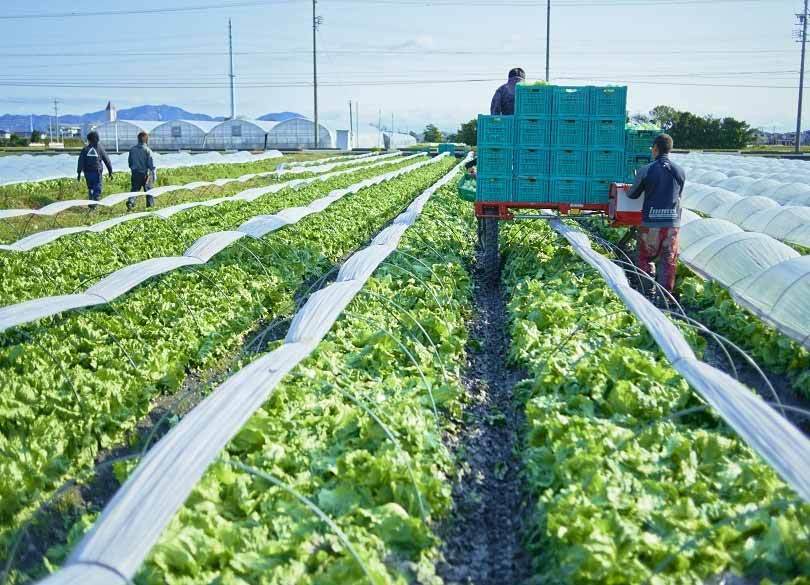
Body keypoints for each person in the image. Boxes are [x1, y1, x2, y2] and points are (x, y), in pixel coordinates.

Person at [626, 133, 686, 296]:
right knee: (668, 261)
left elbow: (633, 194)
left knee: (645, 257)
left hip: (651, 223)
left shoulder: (647, 170)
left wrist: (628, 188)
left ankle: (647, 292)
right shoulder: (680, 171)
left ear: (655, 149)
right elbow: (678, 194)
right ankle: (664, 298)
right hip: (672, 224)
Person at [77, 130, 113, 208]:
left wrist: (79, 172)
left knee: (90, 188)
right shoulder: (100, 148)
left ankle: (91, 202)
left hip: (87, 173)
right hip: (97, 172)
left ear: (89, 139)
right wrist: (110, 171)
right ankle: (94, 204)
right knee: (97, 188)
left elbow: (80, 161)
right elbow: (107, 160)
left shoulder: (85, 149)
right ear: (97, 139)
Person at [127, 131, 156, 210]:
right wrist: (153, 174)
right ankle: (150, 207)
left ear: (138, 139)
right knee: (149, 191)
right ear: (146, 140)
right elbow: (151, 165)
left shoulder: (132, 149)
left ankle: (130, 202)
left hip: (135, 173)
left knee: (135, 189)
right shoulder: (147, 150)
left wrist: (133, 168)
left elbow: (130, 162)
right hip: (145, 174)